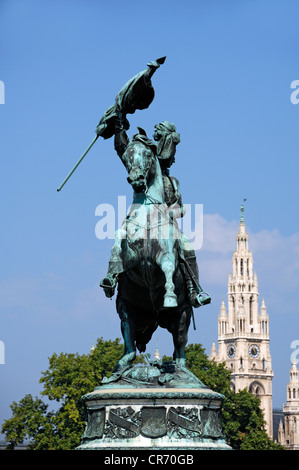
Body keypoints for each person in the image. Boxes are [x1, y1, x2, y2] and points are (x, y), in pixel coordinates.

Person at [100, 120, 210, 308]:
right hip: (139, 217)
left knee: (187, 245)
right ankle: (113, 276)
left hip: (165, 226)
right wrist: (119, 125)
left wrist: (170, 212)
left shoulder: (173, 182)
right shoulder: (143, 178)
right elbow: (124, 151)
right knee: (120, 235)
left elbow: (181, 208)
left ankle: (194, 290)